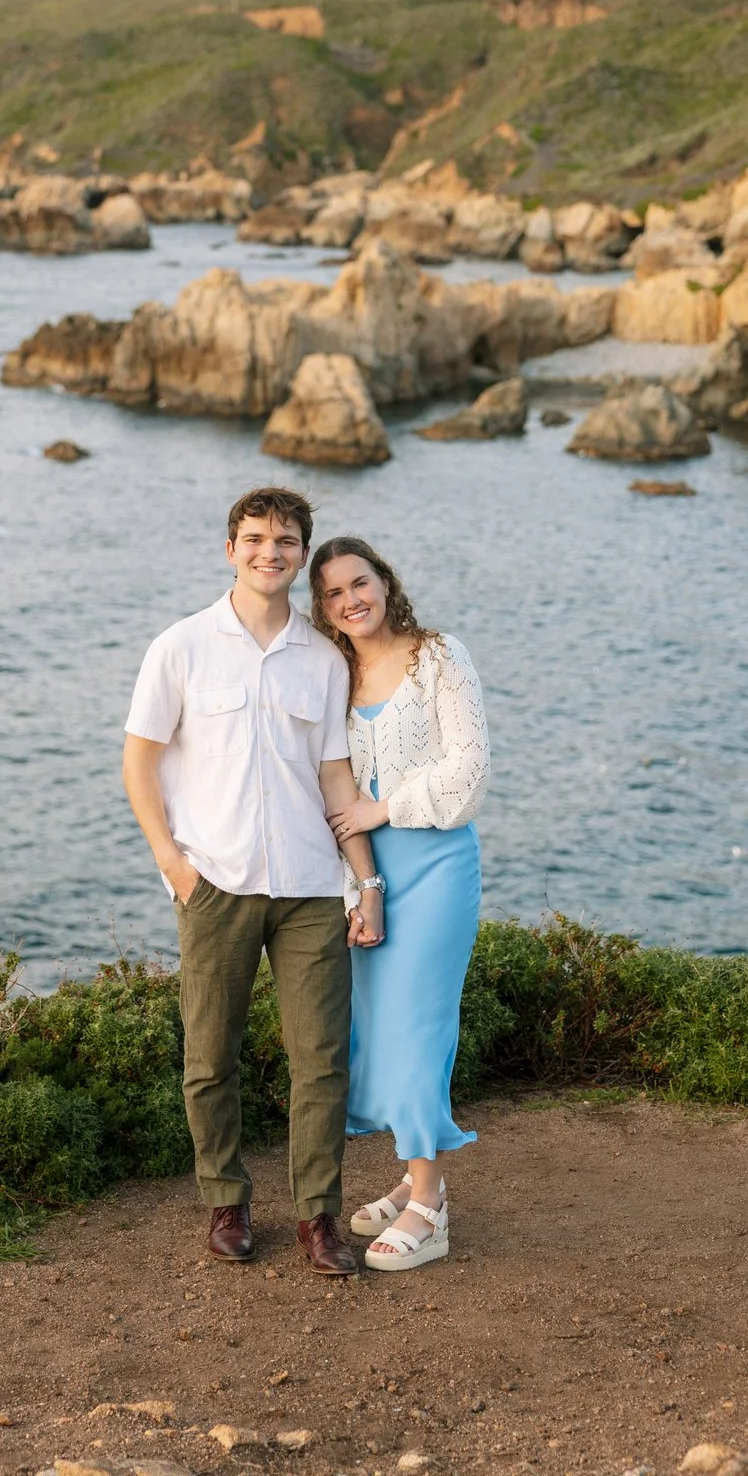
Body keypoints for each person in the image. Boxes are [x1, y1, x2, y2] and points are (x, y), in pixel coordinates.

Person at [122, 486, 385, 1277]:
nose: (269, 552)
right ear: (229, 549)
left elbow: (335, 776)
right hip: (218, 885)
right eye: (254, 538)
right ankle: (226, 1202)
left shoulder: (323, 656)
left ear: (301, 554)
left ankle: (317, 1218)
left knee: (322, 1060)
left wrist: (363, 884)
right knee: (210, 1056)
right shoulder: (181, 646)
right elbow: (138, 761)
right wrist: (173, 863)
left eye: (284, 541)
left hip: (309, 884)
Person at [309, 535, 488, 1272]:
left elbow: (468, 769)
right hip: (372, 877)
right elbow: (332, 789)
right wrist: (362, 889)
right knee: (378, 1036)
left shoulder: (439, 656)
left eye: (361, 582)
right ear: (321, 609)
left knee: (417, 1031)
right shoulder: (331, 676)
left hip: (439, 865)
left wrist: (385, 810)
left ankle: (430, 1208)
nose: (351, 600)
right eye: (333, 593)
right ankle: (415, 1178)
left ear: (385, 582)